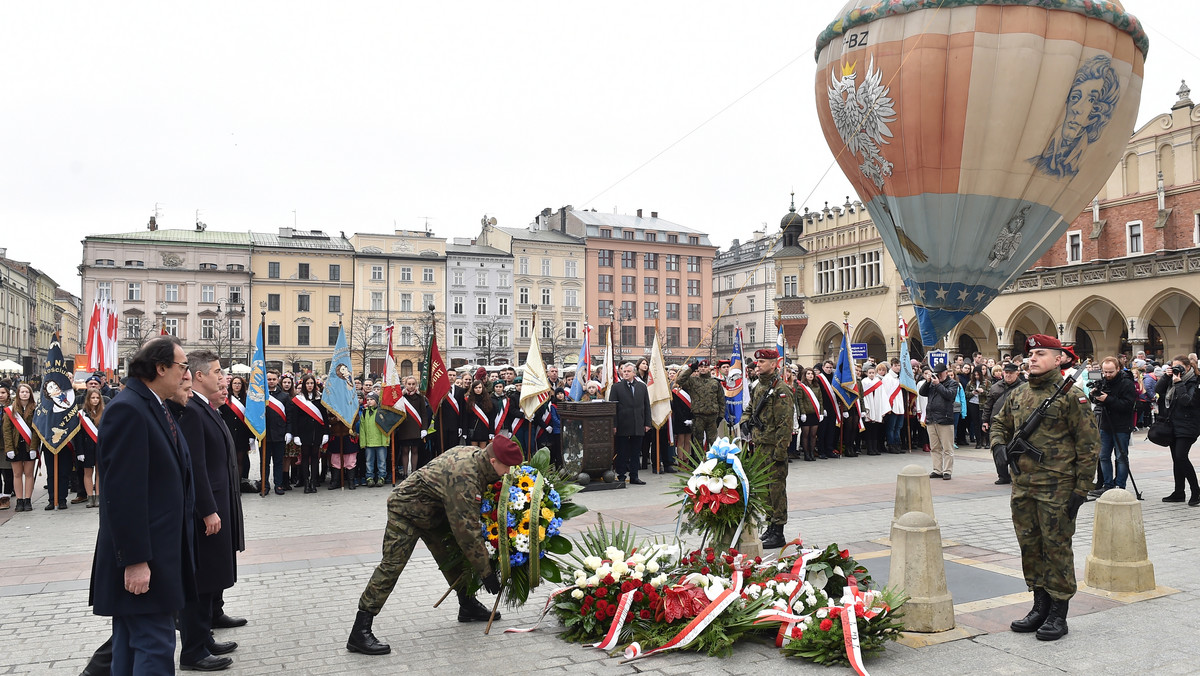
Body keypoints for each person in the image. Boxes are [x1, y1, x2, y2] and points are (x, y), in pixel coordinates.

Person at [346, 435, 524, 655]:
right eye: (507, 467)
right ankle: (360, 630)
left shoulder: (476, 457)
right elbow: (467, 530)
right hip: (406, 512)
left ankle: (467, 605)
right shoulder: (464, 477)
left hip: (434, 513)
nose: (508, 472)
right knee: (391, 567)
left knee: (453, 558)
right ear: (494, 460)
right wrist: (486, 572)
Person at [90, 336, 198, 674]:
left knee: (128, 645)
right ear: (160, 367)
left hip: (157, 556)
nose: (186, 375)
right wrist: (135, 561)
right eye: (182, 367)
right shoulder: (129, 409)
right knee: (154, 646)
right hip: (143, 559)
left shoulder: (154, 405)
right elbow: (123, 493)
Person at [990, 334, 1098, 641]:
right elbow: (999, 422)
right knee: (1030, 545)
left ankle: (1057, 614)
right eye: (1031, 354)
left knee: (1056, 548)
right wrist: (998, 445)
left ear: (1058, 358)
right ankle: (1039, 606)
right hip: (1023, 486)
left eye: (1040, 353)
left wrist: (1081, 490)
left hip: (1057, 487)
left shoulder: (1071, 397)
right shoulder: (1019, 394)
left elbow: (1089, 445)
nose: (1033, 358)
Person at [177, 350, 245, 671]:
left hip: (219, 503)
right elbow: (196, 467)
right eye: (217, 371)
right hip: (207, 510)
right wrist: (207, 508)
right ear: (199, 375)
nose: (222, 377)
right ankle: (192, 650)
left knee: (210, 578)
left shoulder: (207, 408)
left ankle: (203, 638)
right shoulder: (192, 411)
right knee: (201, 580)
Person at [743, 349, 793, 549]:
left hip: (773, 448)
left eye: (763, 361)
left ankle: (778, 531)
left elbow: (785, 424)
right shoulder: (757, 386)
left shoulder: (781, 389)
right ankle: (770, 527)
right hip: (760, 446)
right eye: (758, 362)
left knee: (777, 491)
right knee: (765, 491)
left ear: (774, 364)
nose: (758, 365)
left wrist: (780, 452)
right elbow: (749, 409)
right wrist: (746, 421)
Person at [1155, 355, 1200, 505]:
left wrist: (1179, 383)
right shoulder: (1171, 380)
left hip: (1189, 425)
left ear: (1188, 367)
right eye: (1174, 367)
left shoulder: (1195, 381)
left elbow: (1187, 401)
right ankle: (1179, 492)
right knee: (1176, 459)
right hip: (1173, 425)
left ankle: (1196, 492)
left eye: (1179, 367)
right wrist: (1166, 377)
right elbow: (1158, 390)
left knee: (1181, 457)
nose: (1176, 370)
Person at [1089, 356, 1136, 498]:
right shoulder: (1102, 381)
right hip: (1105, 424)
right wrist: (1094, 396)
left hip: (1121, 425)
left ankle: (1120, 486)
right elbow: (1097, 401)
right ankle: (1107, 485)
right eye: (1105, 372)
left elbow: (1128, 405)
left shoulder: (1127, 383)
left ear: (1118, 369)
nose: (1108, 375)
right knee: (1103, 456)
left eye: (1111, 372)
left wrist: (1108, 399)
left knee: (1121, 456)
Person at [608, 363, 651, 485]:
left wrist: (647, 423)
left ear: (634, 373)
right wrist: (614, 425)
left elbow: (646, 406)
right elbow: (613, 407)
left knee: (636, 452)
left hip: (638, 424)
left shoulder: (642, 387)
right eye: (624, 371)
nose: (625, 373)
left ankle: (634, 476)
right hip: (623, 424)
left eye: (628, 371)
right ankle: (621, 476)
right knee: (622, 452)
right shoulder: (616, 387)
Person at [982, 363, 1022, 485]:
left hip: (1016, 424)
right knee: (997, 448)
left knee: (1015, 449)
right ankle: (1003, 475)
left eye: (1011, 373)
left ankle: (1016, 474)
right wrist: (985, 421)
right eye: (1006, 373)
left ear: (1017, 374)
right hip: (998, 423)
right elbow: (988, 406)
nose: (1008, 375)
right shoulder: (995, 387)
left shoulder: (1023, 388)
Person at [287, 375, 328, 494]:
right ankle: (305, 482)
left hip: (317, 432)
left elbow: (324, 417)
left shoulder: (320, 398)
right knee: (305, 458)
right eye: (308, 383)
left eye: (312, 383)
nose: (310, 385)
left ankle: (313, 482)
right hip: (303, 432)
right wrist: (295, 435)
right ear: (304, 385)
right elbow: (294, 419)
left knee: (315, 458)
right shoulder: (298, 399)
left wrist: (326, 432)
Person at [3, 383, 40, 513]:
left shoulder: (36, 409)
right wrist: (9, 449)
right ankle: (19, 500)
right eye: (22, 392)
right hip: (16, 446)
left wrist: (34, 447)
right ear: (18, 394)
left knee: (29, 474)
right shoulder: (10, 409)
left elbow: (36, 430)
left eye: (27, 392)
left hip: (29, 446)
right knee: (17, 474)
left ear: (30, 394)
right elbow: (6, 430)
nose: (24, 394)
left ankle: (27, 500)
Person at [921, 363, 960, 480]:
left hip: (945, 419)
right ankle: (937, 469)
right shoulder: (932, 383)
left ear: (946, 372)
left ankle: (947, 471)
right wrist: (927, 382)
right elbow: (922, 392)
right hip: (932, 418)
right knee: (935, 447)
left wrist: (938, 385)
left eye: (941, 373)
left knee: (947, 448)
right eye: (936, 373)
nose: (938, 376)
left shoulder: (952, 383)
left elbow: (949, 395)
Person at [675, 359, 722, 451]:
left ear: (709, 368)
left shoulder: (715, 382)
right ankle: (699, 463)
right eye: (701, 367)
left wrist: (720, 416)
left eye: (705, 367)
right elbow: (679, 380)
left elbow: (721, 400)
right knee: (698, 443)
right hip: (698, 416)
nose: (703, 369)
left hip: (712, 417)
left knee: (713, 442)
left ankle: (713, 463)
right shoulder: (693, 381)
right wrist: (690, 369)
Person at [219, 375, 253, 488]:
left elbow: (250, 418)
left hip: (242, 435)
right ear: (231, 385)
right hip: (229, 433)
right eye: (235, 383)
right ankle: (229, 484)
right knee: (228, 460)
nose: (237, 385)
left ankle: (237, 486)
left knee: (240, 460)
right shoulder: (225, 398)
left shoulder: (246, 399)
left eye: (239, 383)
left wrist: (252, 436)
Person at [395, 376, 430, 479]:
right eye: (409, 384)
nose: (411, 386)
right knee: (405, 451)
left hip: (416, 428)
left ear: (416, 385)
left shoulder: (420, 397)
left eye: (413, 384)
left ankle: (414, 472)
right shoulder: (401, 397)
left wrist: (424, 428)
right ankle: (405, 473)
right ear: (405, 384)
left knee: (415, 451)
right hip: (404, 427)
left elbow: (424, 414)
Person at [263, 370, 291, 495]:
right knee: (264, 462)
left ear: (278, 380)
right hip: (264, 435)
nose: (271, 381)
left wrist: (289, 432)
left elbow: (289, 417)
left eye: (274, 379)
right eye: (269, 379)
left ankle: (278, 485)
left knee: (278, 461)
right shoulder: (261, 396)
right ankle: (265, 485)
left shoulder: (284, 396)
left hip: (280, 434)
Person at [75, 389, 104, 508]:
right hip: (86, 448)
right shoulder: (81, 414)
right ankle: (89, 497)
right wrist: (80, 451)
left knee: (99, 472)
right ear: (88, 399)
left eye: (97, 398)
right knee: (87, 472)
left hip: (100, 447)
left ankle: (98, 497)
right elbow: (78, 434)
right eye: (93, 398)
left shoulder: (104, 412)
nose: (95, 400)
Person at [358, 394, 389, 487]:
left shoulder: (381, 412)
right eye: (367, 399)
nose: (369, 401)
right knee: (369, 461)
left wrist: (385, 441)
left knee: (382, 461)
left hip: (380, 442)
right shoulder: (365, 412)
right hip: (369, 442)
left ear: (376, 400)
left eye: (372, 399)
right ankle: (369, 477)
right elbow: (362, 428)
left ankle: (381, 477)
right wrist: (363, 442)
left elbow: (386, 428)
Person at [0, 385, 10, 510]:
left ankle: (6, 497)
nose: (1, 395)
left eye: (3, 392)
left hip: (7, 445)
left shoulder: (11, 408)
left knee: (8, 473)